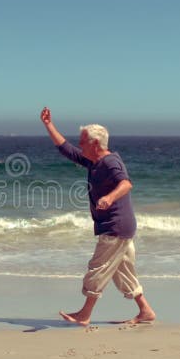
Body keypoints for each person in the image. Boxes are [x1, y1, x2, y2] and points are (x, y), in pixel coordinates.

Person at [40, 106, 156, 326]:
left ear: (95, 144)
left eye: (83, 141)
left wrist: (110, 198)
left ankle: (84, 315)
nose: (80, 144)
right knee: (122, 271)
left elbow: (126, 183)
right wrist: (48, 125)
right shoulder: (94, 161)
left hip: (115, 226)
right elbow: (66, 149)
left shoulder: (111, 162)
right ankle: (146, 311)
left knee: (98, 267)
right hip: (120, 226)